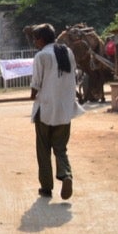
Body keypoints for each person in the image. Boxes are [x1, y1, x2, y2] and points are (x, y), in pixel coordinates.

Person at [30, 23, 81, 200]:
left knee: (43, 149)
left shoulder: (41, 55)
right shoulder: (67, 52)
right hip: (65, 109)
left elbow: (36, 83)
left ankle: (46, 187)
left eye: (35, 39)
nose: (35, 42)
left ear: (41, 39)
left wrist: (32, 95)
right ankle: (66, 175)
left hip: (45, 108)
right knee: (60, 148)